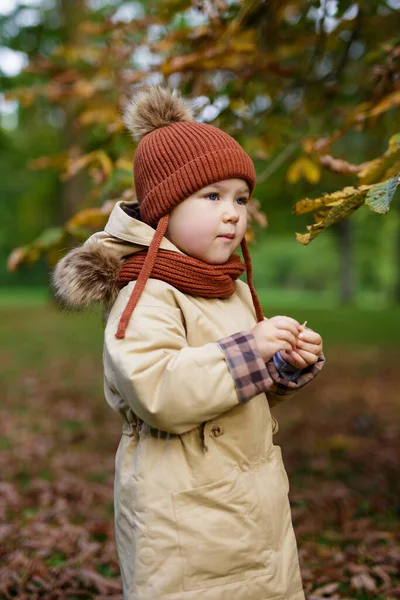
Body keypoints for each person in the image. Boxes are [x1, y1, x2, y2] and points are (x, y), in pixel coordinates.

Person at [52, 85, 325, 600]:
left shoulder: (234, 288)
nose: (233, 213)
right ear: (165, 210)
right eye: (212, 196)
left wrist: (284, 363)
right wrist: (252, 349)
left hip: (253, 501)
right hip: (183, 515)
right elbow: (158, 393)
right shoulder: (144, 293)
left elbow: (245, 388)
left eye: (241, 199)